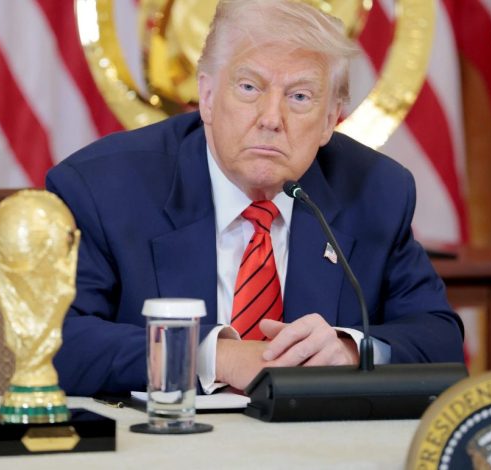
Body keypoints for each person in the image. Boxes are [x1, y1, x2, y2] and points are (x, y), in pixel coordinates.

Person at [46, 0, 464, 396]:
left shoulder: (376, 192)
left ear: (330, 120)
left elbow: (439, 339)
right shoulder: (104, 188)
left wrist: (351, 351)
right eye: (249, 87)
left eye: (299, 96)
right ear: (207, 96)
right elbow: (55, 342)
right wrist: (217, 358)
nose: (271, 119)